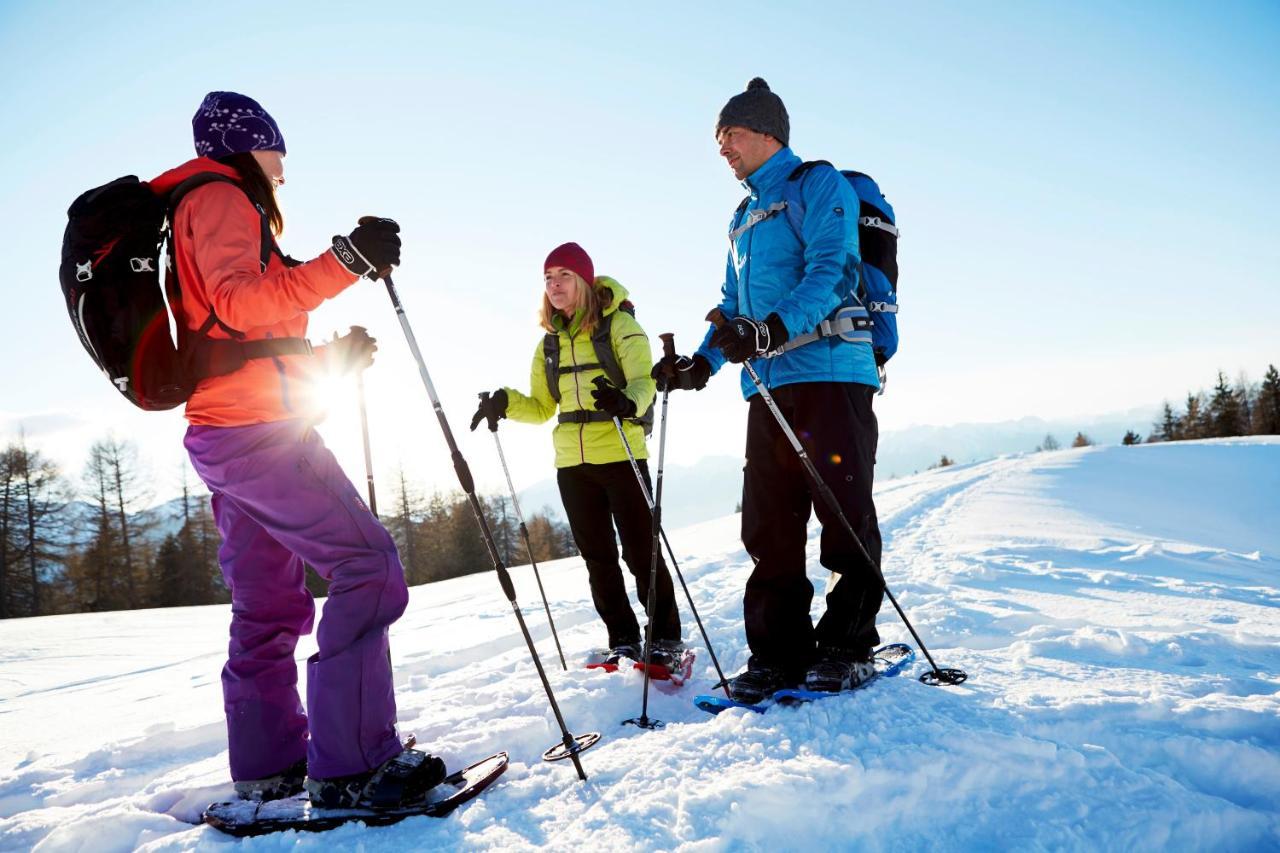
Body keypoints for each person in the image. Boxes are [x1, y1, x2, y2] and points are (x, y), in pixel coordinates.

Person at [152, 91, 443, 809]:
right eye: (278, 151)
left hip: (225, 430)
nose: (284, 170)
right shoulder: (220, 195)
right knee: (367, 566)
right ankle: (355, 763)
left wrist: (327, 357)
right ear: (253, 145)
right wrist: (345, 259)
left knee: (269, 601)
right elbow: (239, 300)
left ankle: (269, 760)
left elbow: (244, 339)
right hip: (260, 434)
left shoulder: (203, 204)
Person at [653, 78, 885, 703]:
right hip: (768, 385)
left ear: (765, 132)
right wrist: (699, 365)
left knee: (842, 515)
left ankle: (846, 646)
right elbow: (732, 306)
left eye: (728, 134)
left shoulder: (816, 184)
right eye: (717, 139)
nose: (721, 148)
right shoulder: (742, 215)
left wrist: (773, 327)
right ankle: (779, 653)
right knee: (768, 524)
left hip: (833, 373)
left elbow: (830, 271)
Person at [470, 242, 683, 669]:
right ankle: (622, 638)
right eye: (548, 278)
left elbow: (645, 384)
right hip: (572, 464)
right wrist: (505, 404)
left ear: (585, 281)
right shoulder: (548, 344)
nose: (553, 285)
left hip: (622, 453)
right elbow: (542, 407)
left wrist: (625, 401)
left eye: (563, 275)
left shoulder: (621, 327)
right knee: (598, 558)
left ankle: (664, 641)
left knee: (641, 552)